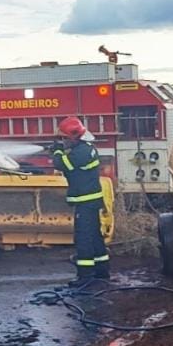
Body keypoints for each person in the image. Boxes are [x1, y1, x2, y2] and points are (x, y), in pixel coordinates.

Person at [51, 116, 110, 284]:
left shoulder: (81, 152)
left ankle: (85, 276)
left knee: (83, 238)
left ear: (73, 136)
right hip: (90, 201)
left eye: (64, 138)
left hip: (85, 202)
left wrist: (56, 151)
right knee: (95, 236)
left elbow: (64, 165)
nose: (63, 141)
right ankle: (102, 271)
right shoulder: (86, 148)